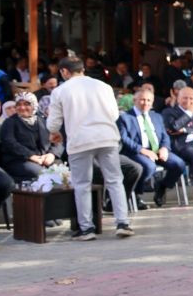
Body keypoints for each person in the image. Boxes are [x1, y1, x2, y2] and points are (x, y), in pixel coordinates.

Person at [45, 59, 130, 239]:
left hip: (80, 140)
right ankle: (123, 222)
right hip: (107, 137)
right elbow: (114, 114)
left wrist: (54, 132)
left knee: (82, 184)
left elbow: (53, 122)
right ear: (83, 70)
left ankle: (87, 228)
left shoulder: (60, 91)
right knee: (115, 180)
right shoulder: (104, 86)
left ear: (64, 72)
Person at [118, 86, 187, 207]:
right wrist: (142, 150)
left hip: (157, 150)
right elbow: (124, 139)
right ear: (135, 100)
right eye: (142, 100)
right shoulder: (125, 118)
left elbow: (165, 135)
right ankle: (136, 195)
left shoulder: (156, 116)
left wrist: (165, 148)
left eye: (149, 100)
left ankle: (162, 186)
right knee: (149, 167)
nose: (145, 103)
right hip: (137, 152)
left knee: (179, 164)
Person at [0, 92, 57, 182]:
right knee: (41, 173)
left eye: (27, 104)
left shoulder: (43, 121)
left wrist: (52, 154)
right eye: (18, 104)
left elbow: (57, 140)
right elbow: (9, 143)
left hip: (43, 158)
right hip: (19, 160)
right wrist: (31, 156)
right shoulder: (10, 122)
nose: (22, 107)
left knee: (61, 171)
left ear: (34, 105)